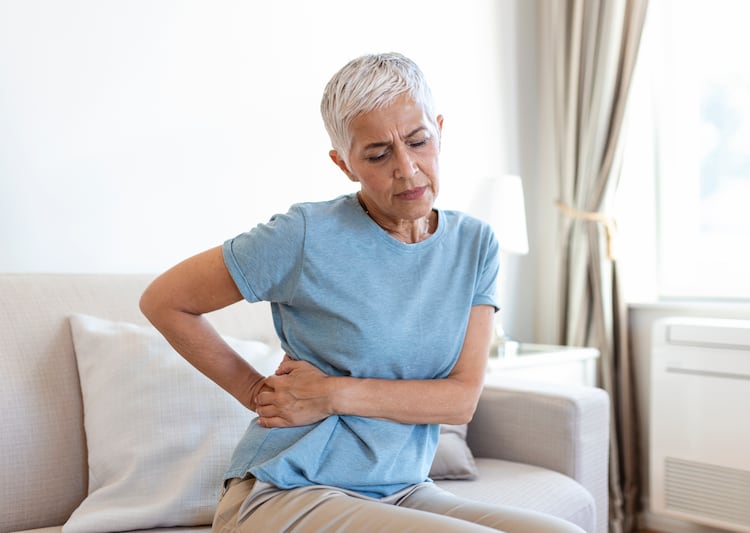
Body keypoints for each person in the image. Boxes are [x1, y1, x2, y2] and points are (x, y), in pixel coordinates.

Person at [140, 52, 584, 533]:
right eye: (378, 154)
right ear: (344, 163)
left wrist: (331, 394)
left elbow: (459, 400)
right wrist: (255, 392)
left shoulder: (475, 244)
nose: (408, 169)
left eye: (418, 141)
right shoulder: (305, 234)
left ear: (439, 130)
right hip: (287, 490)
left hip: (402, 488)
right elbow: (165, 301)